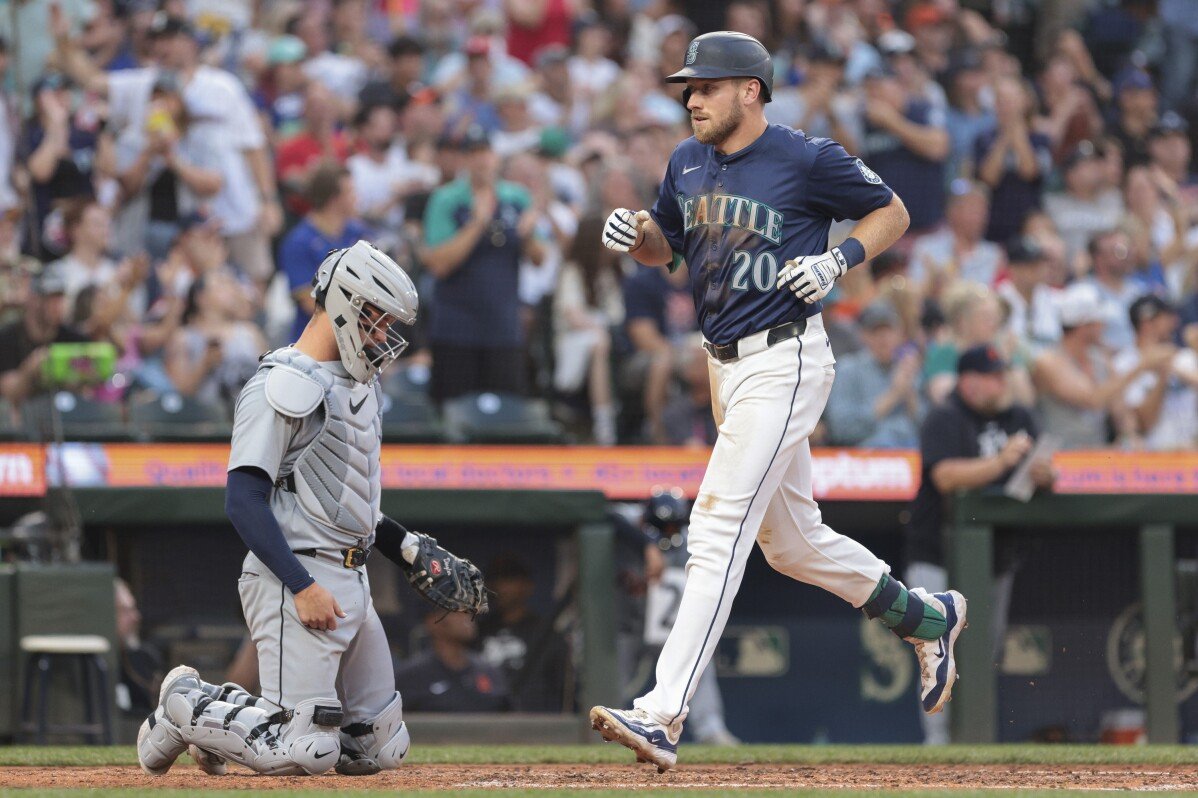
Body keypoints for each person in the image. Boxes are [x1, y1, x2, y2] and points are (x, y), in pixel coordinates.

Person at [590, 32, 965, 772]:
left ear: (750, 90)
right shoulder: (685, 160)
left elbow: (890, 212)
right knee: (790, 543)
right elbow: (666, 250)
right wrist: (635, 233)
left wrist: (837, 258)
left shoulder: (806, 156)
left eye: (706, 85)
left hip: (785, 355)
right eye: (687, 88)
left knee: (718, 521)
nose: (691, 97)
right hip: (722, 367)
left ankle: (663, 713)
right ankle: (925, 617)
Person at [135, 241, 486, 777]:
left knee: (378, 748)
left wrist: (410, 550)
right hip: (294, 575)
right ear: (349, 303)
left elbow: (345, 503)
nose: (382, 336)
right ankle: (184, 702)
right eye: (377, 320)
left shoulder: (358, 386)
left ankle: (223, 729)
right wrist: (301, 585)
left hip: (352, 577)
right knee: (303, 750)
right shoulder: (283, 383)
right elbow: (243, 500)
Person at [904, 344, 1055, 744]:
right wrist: (1003, 462)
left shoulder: (1020, 416)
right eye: (992, 375)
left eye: (1003, 374)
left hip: (997, 555)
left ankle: (975, 739)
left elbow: (1045, 469)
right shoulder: (945, 416)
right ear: (968, 381)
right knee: (935, 652)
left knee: (984, 651)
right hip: (937, 551)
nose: (1001, 382)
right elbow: (946, 477)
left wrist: (1042, 473)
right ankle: (938, 742)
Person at [420, 124, 544, 403]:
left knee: (505, 418)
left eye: (485, 152)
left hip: (503, 328)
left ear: (495, 156)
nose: (481, 160)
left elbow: (539, 258)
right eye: (473, 153)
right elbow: (439, 264)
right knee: (453, 411)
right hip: (456, 328)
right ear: (464, 160)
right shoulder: (446, 199)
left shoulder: (516, 198)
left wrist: (528, 234)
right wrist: (477, 224)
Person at [1031, 282, 1154, 449]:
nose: (1104, 326)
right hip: (1059, 459)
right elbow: (1093, 400)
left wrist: (1128, 436)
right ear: (1084, 325)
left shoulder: (1100, 361)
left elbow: (1120, 409)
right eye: (1098, 322)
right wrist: (1141, 366)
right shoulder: (1049, 361)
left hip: (1095, 458)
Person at [278, 162, 370, 344]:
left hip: (358, 336)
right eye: (350, 192)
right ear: (334, 199)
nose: (357, 198)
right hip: (317, 344)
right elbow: (310, 303)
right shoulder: (299, 242)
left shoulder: (357, 233)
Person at [823, 301, 923, 448]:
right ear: (863, 335)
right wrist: (893, 395)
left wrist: (909, 393)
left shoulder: (908, 368)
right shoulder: (848, 368)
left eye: (889, 330)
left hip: (909, 459)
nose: (884, 338)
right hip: (863, 460)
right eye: (876, 331)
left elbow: (927, 428)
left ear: (900, 334)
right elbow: (840, 429)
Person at [477, 557, 570, 712]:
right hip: (484, 721)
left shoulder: (546, 633)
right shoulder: (478, 631)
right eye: (494, 580)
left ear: (527, 586)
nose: (499, 587)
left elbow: (562, 687)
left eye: (508, 579)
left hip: (532, 723)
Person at [1114, 295, 1198, 450]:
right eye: (1166, 317)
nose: (1174, 322)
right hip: (1153, 461)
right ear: (1147, 323)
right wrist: (1162, 376)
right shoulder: (1124, 364)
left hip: (1191, 455)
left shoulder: (1183, 357)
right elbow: (1144, 423)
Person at [0, 266, 89, 405]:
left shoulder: (73, 338)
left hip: (66, 416)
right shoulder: (8, 337)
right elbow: (8, 393)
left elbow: (87, 392)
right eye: (51, 299)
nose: (58, 306)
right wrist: (30, 371)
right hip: (25, 417)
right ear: (35, 300)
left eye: (61, 298)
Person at [396, 610, 511, 713]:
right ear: (434, 621)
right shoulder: (411, 676)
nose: (468, 616)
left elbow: (509, 720)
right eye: (458, 611)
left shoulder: (490, 671)